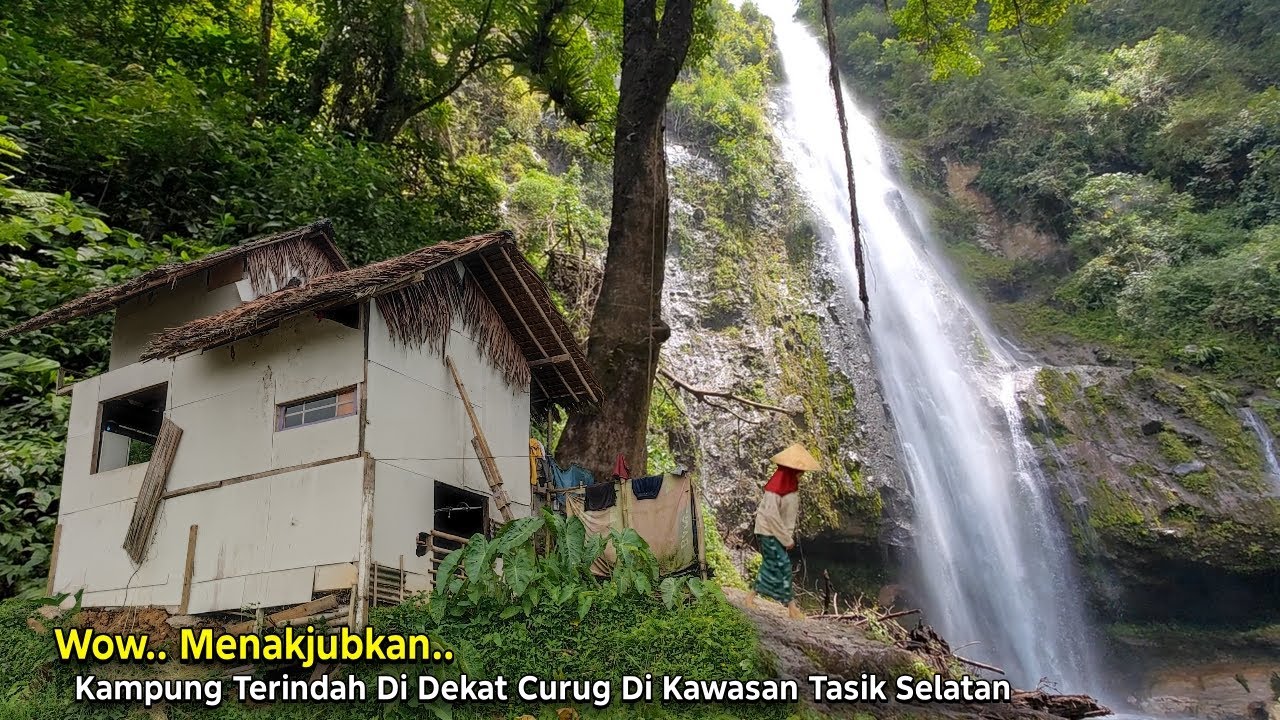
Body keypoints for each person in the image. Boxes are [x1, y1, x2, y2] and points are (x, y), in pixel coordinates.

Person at [746, 443, 820, 620]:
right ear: (792, 471)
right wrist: (786, 539)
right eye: (800, 472)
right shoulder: (775, 488)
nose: (802, 475)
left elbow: (786, 515)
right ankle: (791, 608)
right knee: (782, 566)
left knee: (773, 566)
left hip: (776, 534)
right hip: (768, 532)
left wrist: (786, 537)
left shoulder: (790, 486)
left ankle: (752, 597)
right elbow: (771, 516)